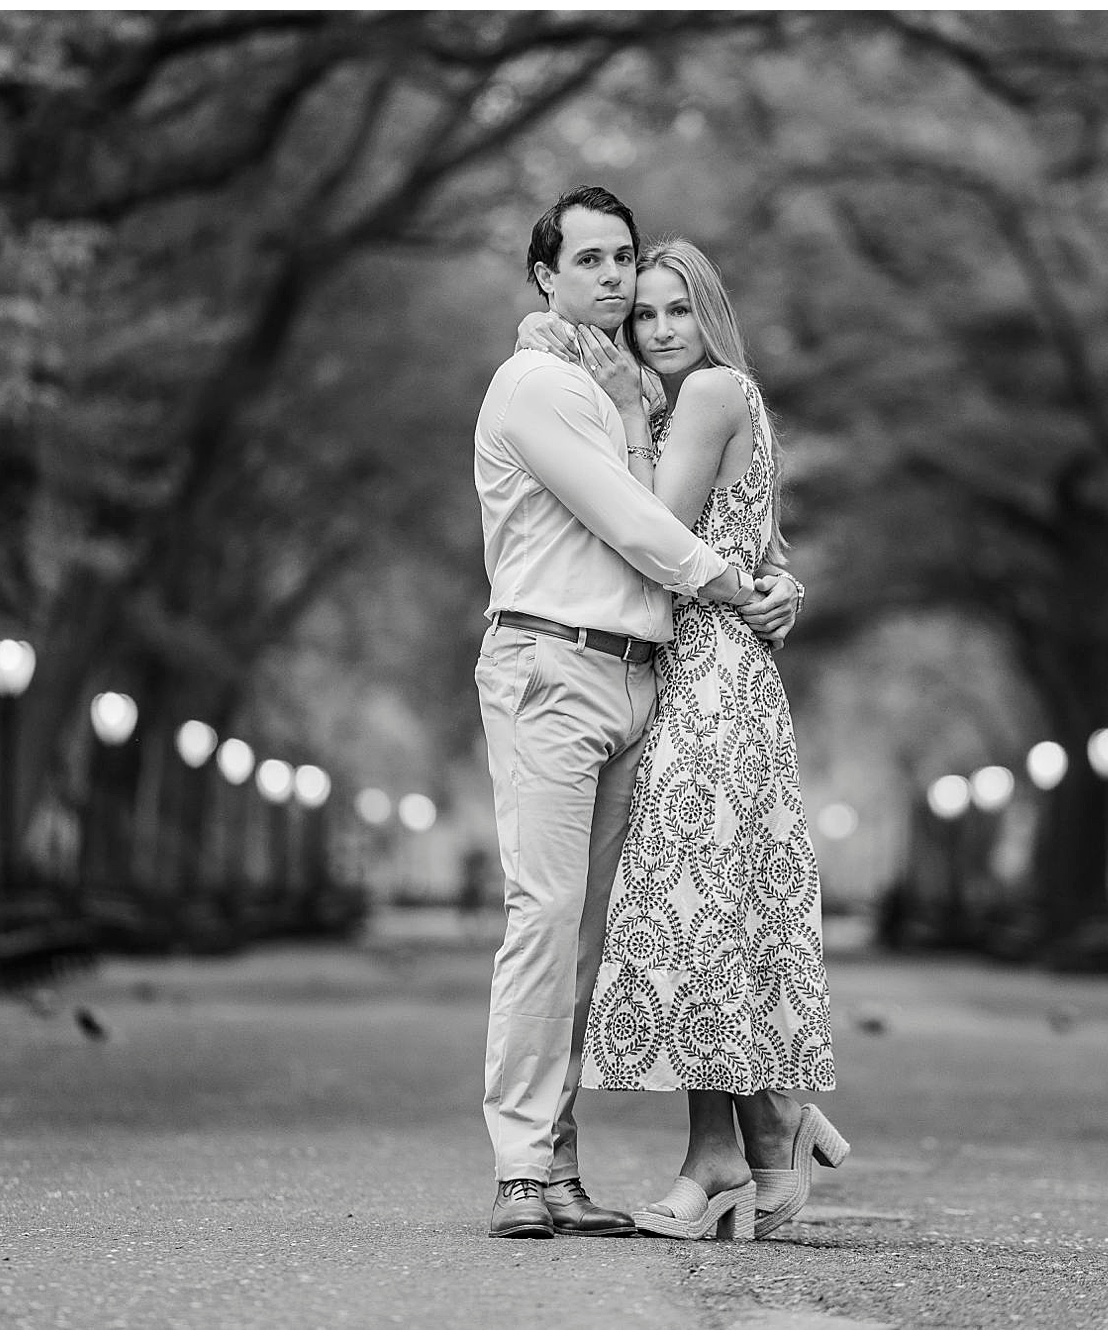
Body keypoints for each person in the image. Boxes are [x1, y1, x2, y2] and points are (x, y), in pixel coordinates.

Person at [472, 186, 801, 1240]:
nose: (616, 281)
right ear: (545, 276)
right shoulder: (535, 383)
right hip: (550, 664)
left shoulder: (634, 394)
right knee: (542, 917)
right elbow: (636, 521)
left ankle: (571, 1164)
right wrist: (738, 584)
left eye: (625, 259)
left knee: (605, 933)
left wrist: (773, 575)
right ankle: (524, 1167)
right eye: (593, 262)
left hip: (643, 675)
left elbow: (717, 500)